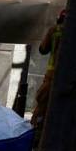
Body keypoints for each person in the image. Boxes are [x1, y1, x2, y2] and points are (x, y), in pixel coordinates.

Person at [31, 9, 66, 141]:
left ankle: (36, 135)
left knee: (42, 102)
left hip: (52, 75)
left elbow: (43, 49)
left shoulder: (54, 30)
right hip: (69, 77)